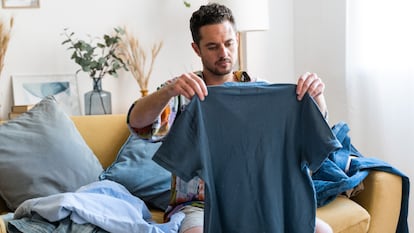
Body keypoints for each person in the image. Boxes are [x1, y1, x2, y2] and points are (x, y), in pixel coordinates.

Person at [128, 3, 333, 233]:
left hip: (257, 201)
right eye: (213, 47)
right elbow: (138, 124)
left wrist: (316, 97)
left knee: (322, 230)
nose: (223, 53)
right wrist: (169, 91)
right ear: (197, 49)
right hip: (197, 206)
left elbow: (311, 128)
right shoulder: (182, 92)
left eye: (228, 43)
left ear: (237, 38)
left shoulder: (261, 91)